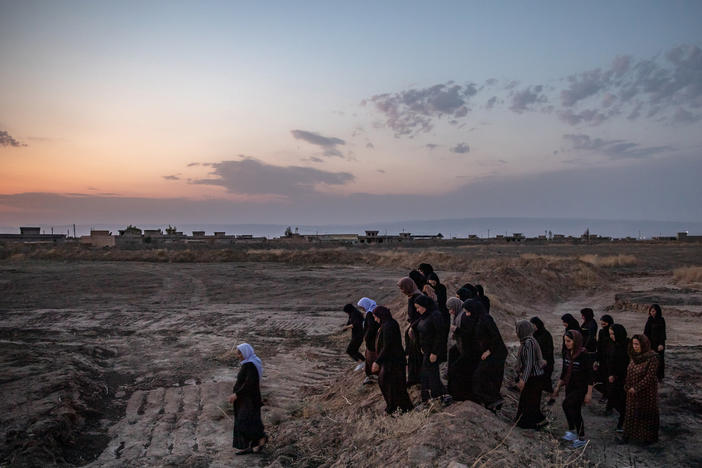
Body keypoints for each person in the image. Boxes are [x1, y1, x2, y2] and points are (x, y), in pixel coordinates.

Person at [552, 330, 593, 449]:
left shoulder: (584, 355)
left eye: (569, 341)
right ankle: (575, 434)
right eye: (565, 341)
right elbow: (564, 373)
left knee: (567, 405)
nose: (566, 343)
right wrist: (558, 387)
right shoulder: (566, 353)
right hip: (569, 386)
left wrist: (589, 394)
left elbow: (590, 376)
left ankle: (578, 435)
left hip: (580, 388)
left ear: (576, 341)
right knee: (575, 410)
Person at [371, 306, 413, 414]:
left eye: (375, 317)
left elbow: (387, 346)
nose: (375, 319)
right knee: (390, 385)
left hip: (394, 361)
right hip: (390, 361)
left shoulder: (389, 326)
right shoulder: (386, 324)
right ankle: (397, 407)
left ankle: (397, 408)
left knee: (394, 386)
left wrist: (377, 361)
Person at [468, 299, 507, 411]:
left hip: (496, 353)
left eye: (468, 311)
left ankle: (494, 400)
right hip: (490, 353)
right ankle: (492, 402)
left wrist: (489, 350)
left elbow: (495, 336)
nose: (467, 314)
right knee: (485, 376)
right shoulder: (478, 319)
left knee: (480, 376)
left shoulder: (486, 319)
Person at [228, 343, 267, 455]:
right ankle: (253, 445)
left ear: (246, 352)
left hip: (249, 400)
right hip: (246, 399)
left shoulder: (250, 365)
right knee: (252, 421)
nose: (238, 355)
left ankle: (261, 438)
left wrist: (237, 394)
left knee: (244, 422)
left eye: (240, 353)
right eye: (237, 353)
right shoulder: (249, 363)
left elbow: (249, 383)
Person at [622, 334, 660, 444]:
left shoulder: (652, 358)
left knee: (645, 414)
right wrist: (627, 385)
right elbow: (629, 371)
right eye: (633, 344)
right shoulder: (634, 356)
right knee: (630, 413)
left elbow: (650, 376)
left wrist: (637, 388)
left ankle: (647, 438)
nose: (635, 346)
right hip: (632, 392)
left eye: (637, 344)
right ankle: (627, 436)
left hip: (646, 393)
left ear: (643, 344)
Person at [414, 295, 448, 403]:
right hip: (427, 350)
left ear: (425, 306)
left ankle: (436, 397)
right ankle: (434, 396)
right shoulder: (425, 316)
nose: (417, 310)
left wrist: (435, 352)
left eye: (419, 307)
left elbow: (440, 335)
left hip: (433, 352)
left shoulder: (435, 315)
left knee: (431, 375)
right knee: (427, 374)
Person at [514, 320, 547, 429]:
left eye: (518, 330)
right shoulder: (526, 342)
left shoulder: (529, 342)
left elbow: (529, 363)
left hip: (535, 377)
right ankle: (536, 421)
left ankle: (531, 423)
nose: (516, 332)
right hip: (532, 377)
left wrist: (523, 380)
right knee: (528, 400)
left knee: (530, 401)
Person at [447, 299, 479, 401]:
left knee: (458, 370)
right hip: (463, 348)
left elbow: (469, 334)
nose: (450, 312)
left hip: (469, 350)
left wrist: (456, 330)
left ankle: (460, 395)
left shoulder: (464, 317)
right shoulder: (459, 316)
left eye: (451, 309)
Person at [398, 277, 423, 386]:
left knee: (415, 354)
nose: (402, 291)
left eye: (402, 288)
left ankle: (416, 379)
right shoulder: (412, 296)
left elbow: (420, 315)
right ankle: (414, 378)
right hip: (413, 327)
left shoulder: (417, 297)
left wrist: (412, 326)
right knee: (412, 355)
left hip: (417, 329)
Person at [607, 324, 629, 432]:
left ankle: (623, 425)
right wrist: (611, 374)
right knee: (615, 399)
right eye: (610, 334)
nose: (611, 336)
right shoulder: (615, 344)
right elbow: (612, 361)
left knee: (624, 401)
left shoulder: (628, 346)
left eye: (613, 334)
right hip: (616, 378)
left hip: (626, 378)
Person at [530, 316, 555, 399]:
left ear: (537, 325)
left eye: (533, 325)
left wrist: (544, 360)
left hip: (546, 362)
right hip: (537, 362)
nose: (532, 327)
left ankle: (550, 398)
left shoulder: (546, 335)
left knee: (546, 380)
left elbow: (549, 350)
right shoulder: (534, 334)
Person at [358, 297, 379, 385]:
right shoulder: (374, 309)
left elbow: (371, 328)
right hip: (375, 339)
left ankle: (373, 376)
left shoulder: (370, 314)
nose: (361, 309)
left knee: (371, 357)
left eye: (362, 307)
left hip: (372, 340)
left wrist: (366, 337)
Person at [644, 304, 666, 382]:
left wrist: (661, 344)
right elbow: (646, 332)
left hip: (659, 343)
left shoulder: (661, 320)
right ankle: (651, 376)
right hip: (651, 343)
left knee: (659, 360)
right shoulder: (649, 319)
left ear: (657, 311)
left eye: (653, 311)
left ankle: (659, 377)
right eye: (651, 311)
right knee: (651, 360)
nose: (652, 313)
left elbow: (663, 333)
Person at [595, 314, 614, 403]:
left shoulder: (613, 332)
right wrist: (597, 359)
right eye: (602, 324)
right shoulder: (601, 332)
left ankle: (609, 396)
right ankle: (605, 394)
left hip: (611, 359)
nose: (603, 326)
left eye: (605, 324)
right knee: (603, 377)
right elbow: (599, 346)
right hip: (603, 358)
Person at [446, 297, 464, 366]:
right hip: (459, 343)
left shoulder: (462, 315)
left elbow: (466, 332)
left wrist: (455, 329)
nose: (450, 312)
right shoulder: (457, 314)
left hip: (465, 345)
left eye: (451, 309)